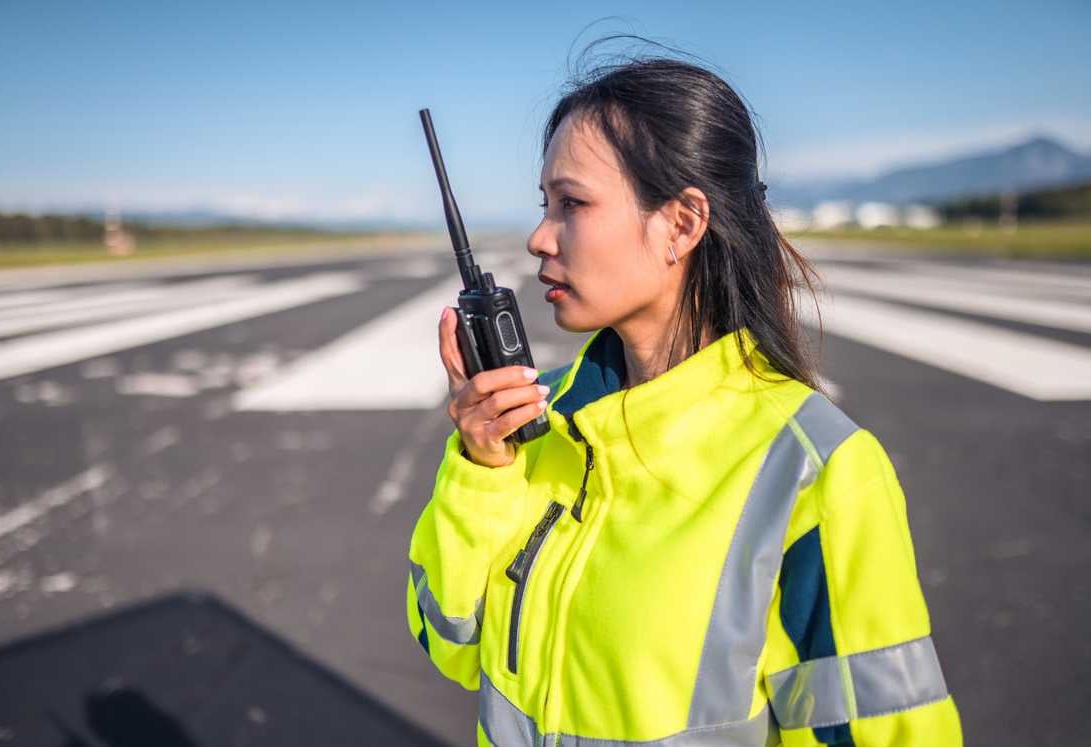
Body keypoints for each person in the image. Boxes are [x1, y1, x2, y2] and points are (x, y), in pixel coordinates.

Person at [407, 46, 963, 747]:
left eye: (572, 203)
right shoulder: (537, 426)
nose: (539, 236)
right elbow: (451, 643)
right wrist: (483, 468)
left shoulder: (815, 472)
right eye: (543, 204)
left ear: (682, 223)